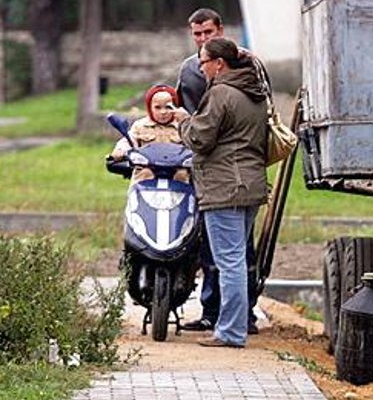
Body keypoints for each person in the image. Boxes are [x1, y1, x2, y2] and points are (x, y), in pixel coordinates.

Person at [175, 37, 269, 348]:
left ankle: (230, 332)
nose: (200, 68)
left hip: (223, 187)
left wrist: (183, 121)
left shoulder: (220, 93)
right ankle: (237, 326)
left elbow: (200, 140)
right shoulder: (254, 93)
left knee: (229, 262)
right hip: (251, 184)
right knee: (237, 260)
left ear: (219, 63)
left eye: (203, 62)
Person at [110, 85, 188, 183]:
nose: (163, 112)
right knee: (145, 173)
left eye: (168, 107)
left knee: (182, 174)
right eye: (157, 107)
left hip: (175, 171)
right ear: (149, 108)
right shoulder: (140, 126)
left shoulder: (183, 126)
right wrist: (120, 151)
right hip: (146, 171)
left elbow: (194, 143)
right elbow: (129, 140)